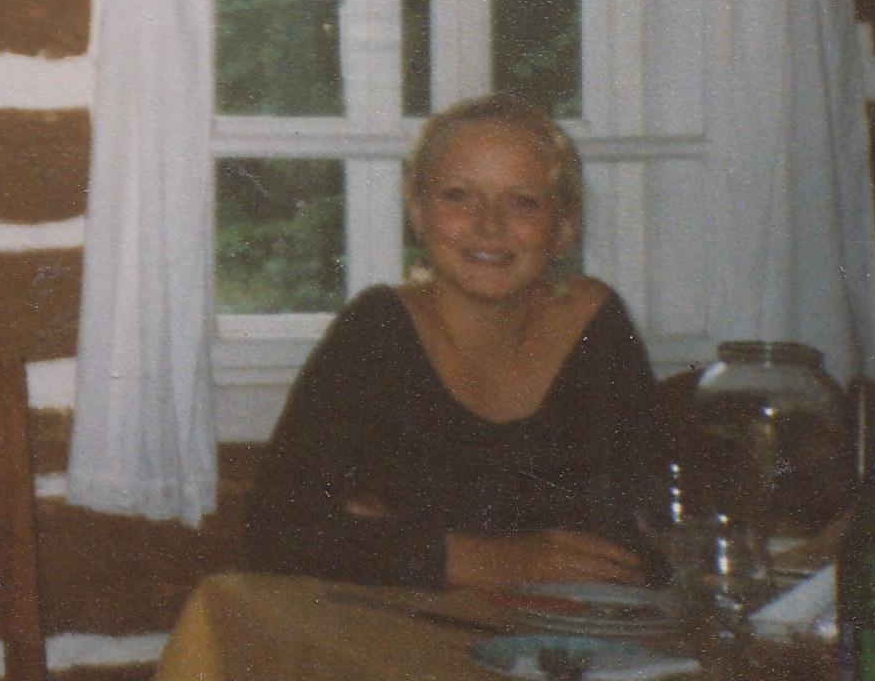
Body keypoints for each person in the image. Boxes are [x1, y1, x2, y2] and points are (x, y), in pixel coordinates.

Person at [241, 93, 667, 592]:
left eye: (523, 202)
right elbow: (273, 532)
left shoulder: (594, 322)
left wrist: (398, 537)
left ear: (563, 228)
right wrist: (497, 561)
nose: (489, 225)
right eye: (459, 197)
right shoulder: (377, 330)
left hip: (573, 625)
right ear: (418, 213)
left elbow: (645, 526)